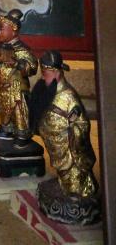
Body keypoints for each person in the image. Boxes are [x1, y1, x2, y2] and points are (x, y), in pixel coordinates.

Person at [30, 51, 99, 200]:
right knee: (63, 174)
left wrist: (73, 130)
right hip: (56, 146)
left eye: (45, 73)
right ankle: (64, 185)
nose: (42, 77)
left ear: (56, 73)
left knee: (73, 178)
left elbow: (82, 124)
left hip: (69, 152)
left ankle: (78, 191)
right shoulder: (50, 91)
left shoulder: (68, 96)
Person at [0, 8, 38, 143]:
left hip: (17, 88)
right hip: (2, 86)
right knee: (4, 108)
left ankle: (22, 134)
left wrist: (16, 63)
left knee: (19, 111)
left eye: (1, 29)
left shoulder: (22, 49)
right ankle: (6, 129)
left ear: (13, 30)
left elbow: (32, 67)